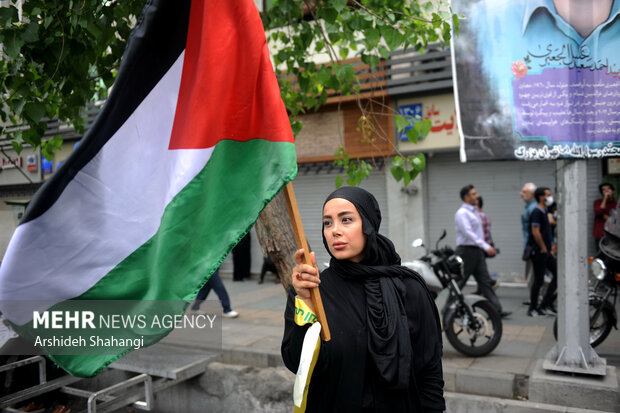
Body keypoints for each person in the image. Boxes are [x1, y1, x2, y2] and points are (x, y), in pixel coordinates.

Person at [281, 186, 445, 412]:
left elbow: (429, 370)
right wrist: (305, 304)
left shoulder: (408, 287)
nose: (335, 231)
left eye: (346, 220)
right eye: (327, 223)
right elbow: (297, 363)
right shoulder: (314, 290)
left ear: (368, 224)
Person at [455, 185, 510, 318]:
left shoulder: (474, 212)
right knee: (460, 283)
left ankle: (496, 310)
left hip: (477, 251)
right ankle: (448, 310)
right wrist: (486, 247)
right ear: (466, 197)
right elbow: (468, 233)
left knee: (485, 282)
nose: (477, 196)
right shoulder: (462, 213)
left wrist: (484, 246)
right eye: (474, 194)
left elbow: (479, 233)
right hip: (467, 251)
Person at [527, 187, 558, 317]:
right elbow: (535, 231)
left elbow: (546, 231)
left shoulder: (545, 210)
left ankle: (546, 303)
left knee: (558, 274)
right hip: (539, 251)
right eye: (548, 195)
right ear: (541, 197)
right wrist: (543, 247)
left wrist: (550, 245)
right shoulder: (536, 211)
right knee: (538, 280)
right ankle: (533, 308)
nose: (550, 197)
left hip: (546, 250)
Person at [594, 183, 617, 250]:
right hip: (600, 234)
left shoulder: (616, 204)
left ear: (613, 191)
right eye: (604, 190)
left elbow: (616, 219)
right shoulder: (597, 202)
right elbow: (598, 212)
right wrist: (605, 198)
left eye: (608, 189)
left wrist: (606, 217)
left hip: (613, 235)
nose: (606, 191)